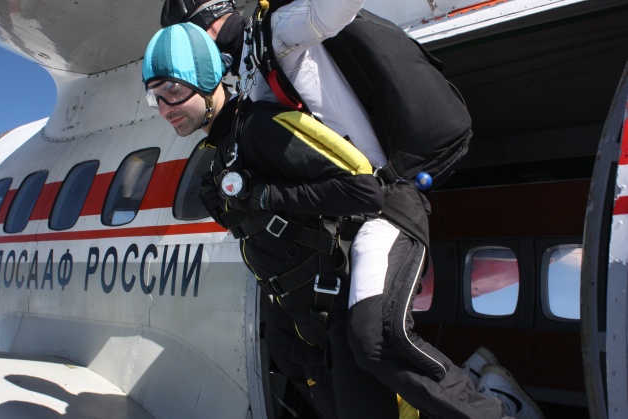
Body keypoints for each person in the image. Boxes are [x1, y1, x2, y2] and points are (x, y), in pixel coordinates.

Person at [158, 2, 545, 419]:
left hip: (382, 201)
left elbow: (330, 11)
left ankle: (499, 410)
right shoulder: (251, 72)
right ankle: (475, 381)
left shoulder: (276, 32)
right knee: (311, 350)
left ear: (202, 31)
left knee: (373, 338)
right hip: (352, 214)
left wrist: (267, 197)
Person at [142, 22, 402, 419]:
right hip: (301, 321)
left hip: (335, 313)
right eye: (154, 97)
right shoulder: (220, 152)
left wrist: (266, 195)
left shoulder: (258, 128)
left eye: (173, 90)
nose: (164, 108)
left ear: (206, 80)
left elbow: (365, 191)